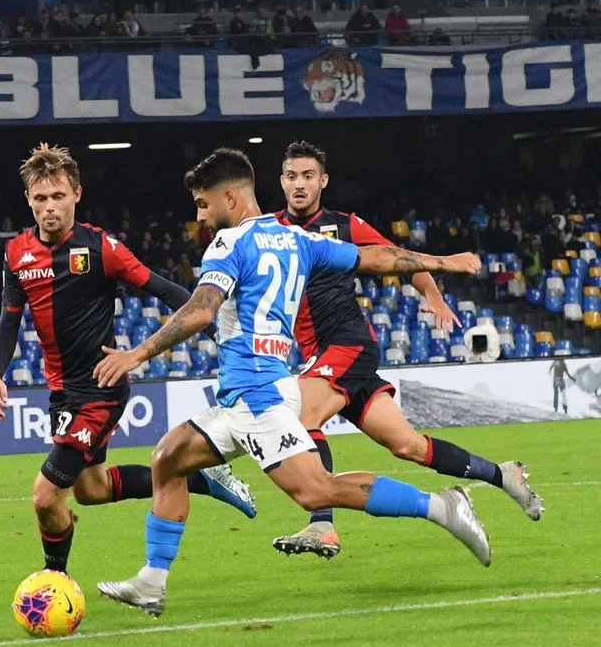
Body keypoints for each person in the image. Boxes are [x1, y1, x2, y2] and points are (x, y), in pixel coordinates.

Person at [93, 149, 490, 617]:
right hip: (248, 396)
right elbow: (375, 257)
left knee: (317, 491)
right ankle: (152, 582)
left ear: (229, 198)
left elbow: (200, 311)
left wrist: (136, 354)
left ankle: (442, 507)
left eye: (203, 204)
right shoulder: (296, 239)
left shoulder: (228, 244)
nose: (199, 216)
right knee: (168, 458)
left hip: (258, 397)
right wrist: (443, 261)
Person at [0, 144, 256, 577]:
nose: (49, 207)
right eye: (40, 198)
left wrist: (219, 334)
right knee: (91, 490)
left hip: (101, 389)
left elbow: (165, 290)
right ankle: (202, 478)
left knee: (45, 496)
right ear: (28, 200)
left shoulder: (101, 248)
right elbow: (9, 318)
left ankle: (54, 581)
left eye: (58, 196)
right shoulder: (17, 253)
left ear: (77, 194)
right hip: (62, 394)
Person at [270, 141, 542, 558]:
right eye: (292, 176)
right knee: (409, 446)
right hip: (322, 358)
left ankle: (322, 524)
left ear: (323, 181)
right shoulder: (269, 230)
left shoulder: (344, 226)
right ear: (282, 182)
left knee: (302, 417)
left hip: (348, 344)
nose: (299, 185)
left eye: (308, 176)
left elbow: (395, 257)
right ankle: (503, 475)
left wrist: (432, 294)